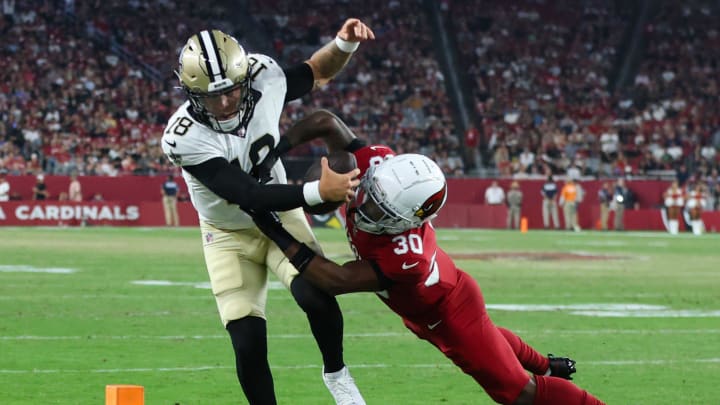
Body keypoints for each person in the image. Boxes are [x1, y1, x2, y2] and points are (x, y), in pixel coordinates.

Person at [248, 119, 605, 404]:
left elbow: (334, 281)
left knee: (519, 393)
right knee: (489, 336)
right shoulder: (379, 166)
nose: (364, 204)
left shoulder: (406, 257)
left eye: (378, 206)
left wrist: (274, 229)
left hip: (448, 313)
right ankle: (547, 364)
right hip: (431, 308)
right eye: (370, 192)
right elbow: (325, 122)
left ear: (407, 219)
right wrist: (275, 151)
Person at [161, 21, 374, 405]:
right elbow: (247, 193)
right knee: (247, 341)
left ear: (244, 78)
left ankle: (337, 374)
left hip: (282, 215)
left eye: (230, 91)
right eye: (212, 97)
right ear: (192, 95)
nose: (225, 103)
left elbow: (317, 72)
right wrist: (317, 192)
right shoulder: (184, 136)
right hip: (227, 233)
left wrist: (344, 43)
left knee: (316, 295)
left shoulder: (263, 77)